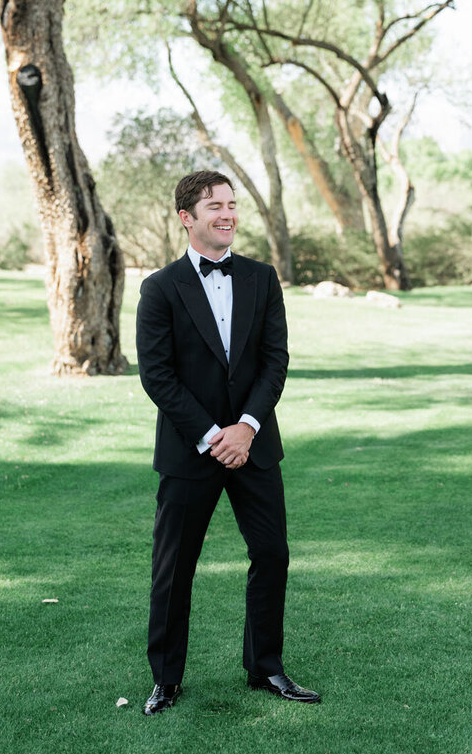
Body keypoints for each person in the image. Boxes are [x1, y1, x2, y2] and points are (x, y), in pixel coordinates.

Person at [135, 170, 319, 715]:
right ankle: (166, 679)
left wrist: (246, 427)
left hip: (254, 445)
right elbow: (158, 376)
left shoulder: (263, 279)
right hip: (191, 450)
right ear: (187, 217)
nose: (228, 214)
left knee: (272, 554)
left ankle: (266, 668)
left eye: (232, 205)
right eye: (215, 205)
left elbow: (274, 361)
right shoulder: (160, 288)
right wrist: (215, 436)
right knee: (174, 567)